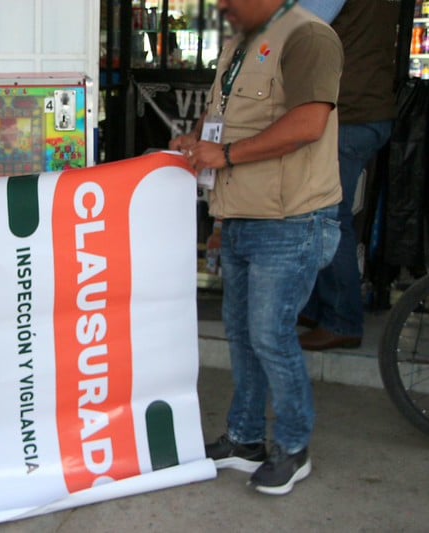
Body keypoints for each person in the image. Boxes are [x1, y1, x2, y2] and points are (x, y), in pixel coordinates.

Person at [170, 0, 342, 495]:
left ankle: (293, 446)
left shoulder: (308, 36)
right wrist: (196, 140)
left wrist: (224, 154)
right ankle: (245, 440)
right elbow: (223, 114)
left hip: (289, 218)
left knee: (270, 335)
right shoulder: (241, 41)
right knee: (243, 335)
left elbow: (308, 123)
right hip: (241, 213)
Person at [298, 0, 400, 351]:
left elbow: (299, 23)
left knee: (327, 214)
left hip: (347, 112)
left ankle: (341, 318)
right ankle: (317, 306)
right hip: (367, 108)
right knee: (320, 210)